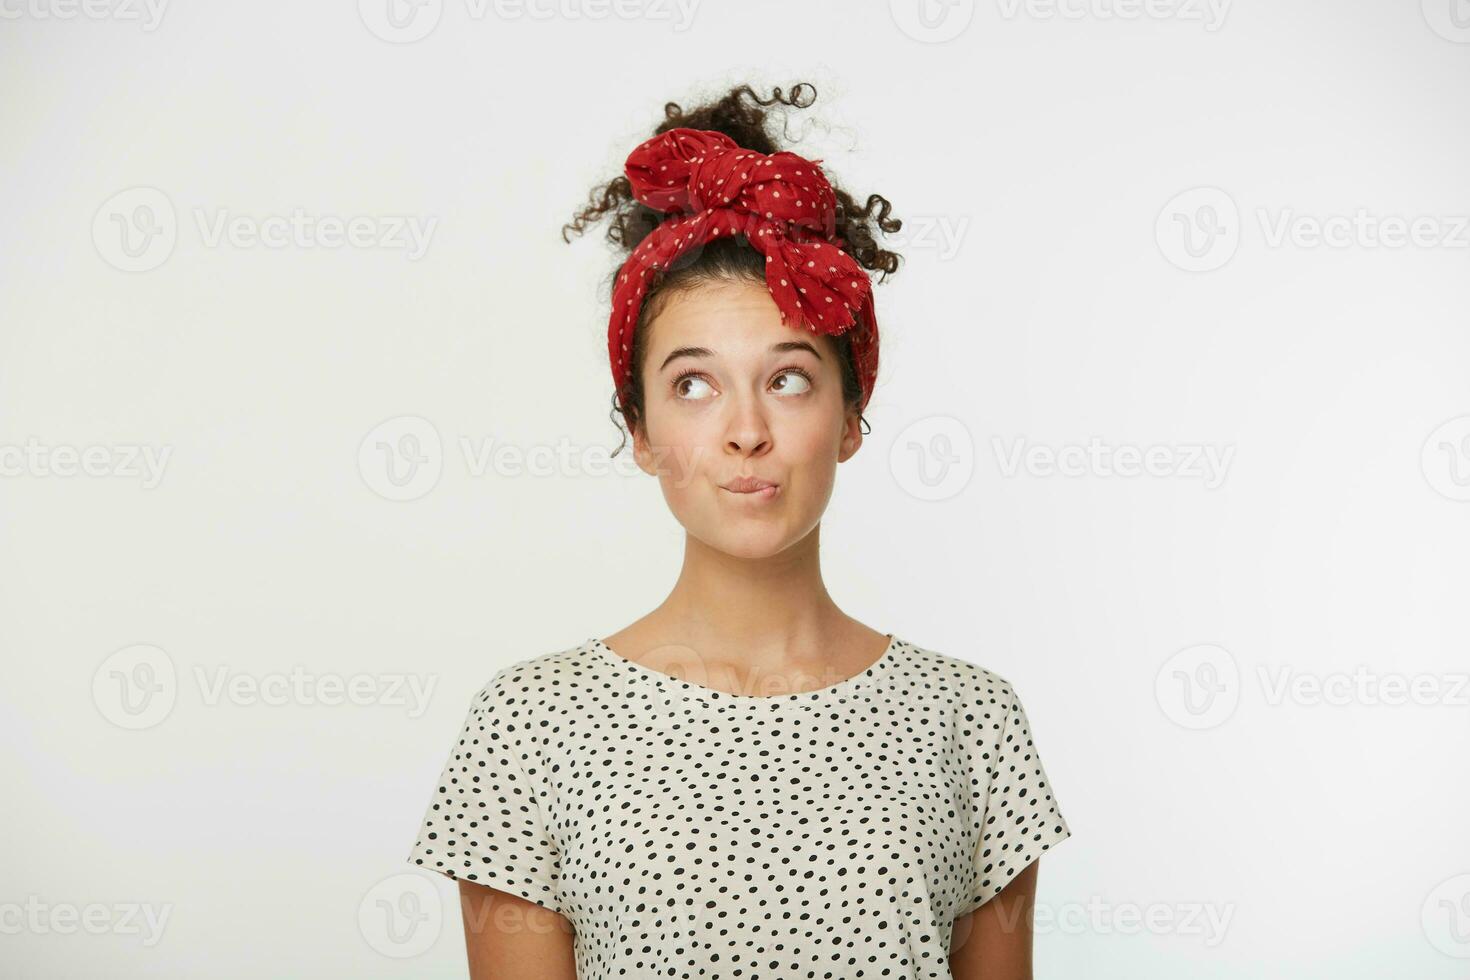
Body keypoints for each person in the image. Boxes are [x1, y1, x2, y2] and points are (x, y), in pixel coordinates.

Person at [406, 81, 1071, 980]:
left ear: (849, 418)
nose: (745, 430)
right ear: (639, 431)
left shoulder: (974, 723)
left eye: (789, 378)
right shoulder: (529, 726)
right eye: (693, 384)